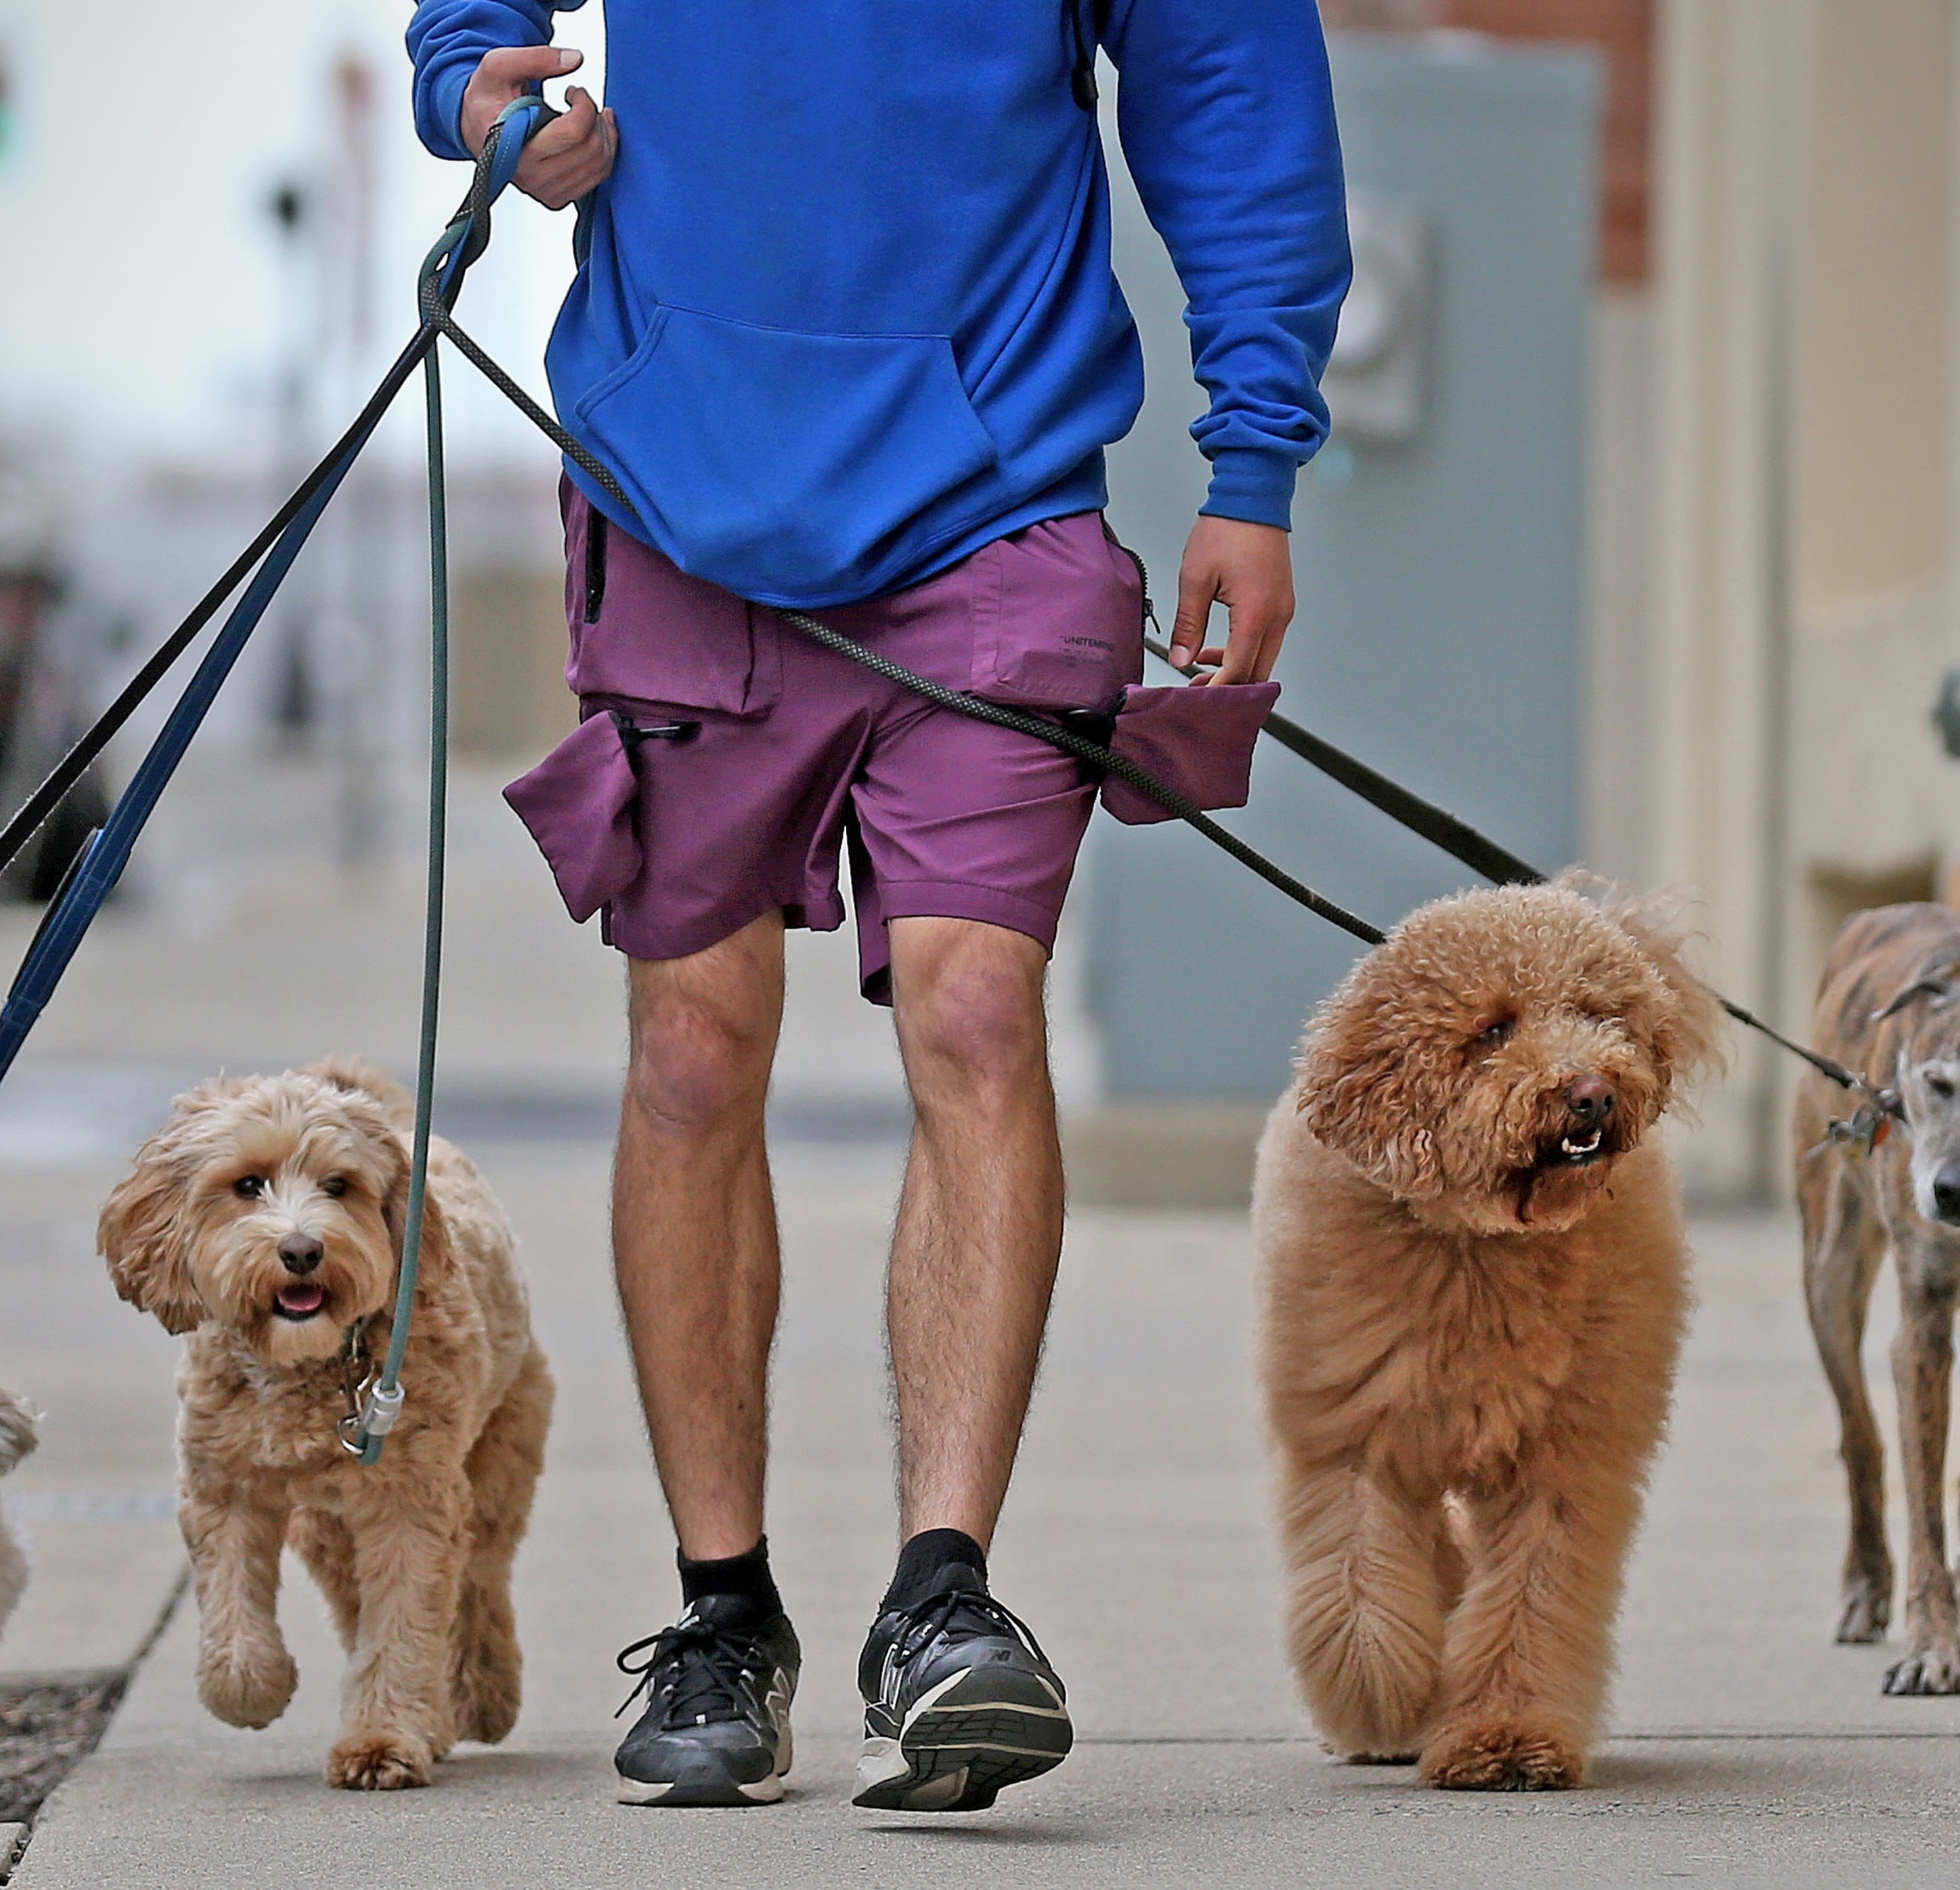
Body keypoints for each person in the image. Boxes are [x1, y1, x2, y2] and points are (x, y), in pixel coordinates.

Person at [404, 0, 1347, 1814]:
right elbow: (472, 25)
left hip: (994, 505)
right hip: (679, 493)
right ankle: (720, 1617)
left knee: (976, 1013)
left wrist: (1254, 457)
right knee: (690, 1050)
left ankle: (942, 1604)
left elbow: (1230, 95)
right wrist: (481, 104)